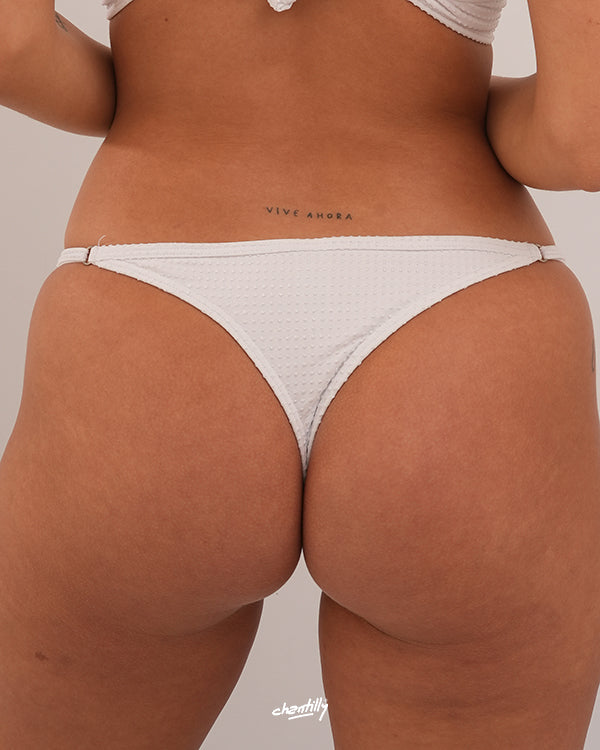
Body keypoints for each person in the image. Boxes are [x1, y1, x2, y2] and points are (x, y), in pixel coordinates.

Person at [0, 0, 599, 748]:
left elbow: (12, 47)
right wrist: (445, 106)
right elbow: (582, 134)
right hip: (461, 321)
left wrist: (170, 97)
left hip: (150, 313)